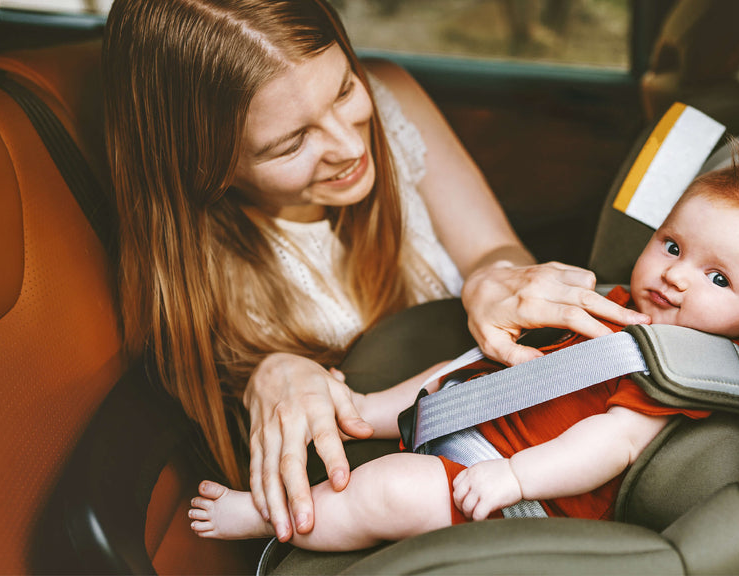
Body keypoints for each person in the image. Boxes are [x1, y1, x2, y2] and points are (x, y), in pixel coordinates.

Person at [103, 0, 647, 545]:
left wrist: (492, 278)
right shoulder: (198, 264)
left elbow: (492, 247)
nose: (348, 144)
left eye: (343, 90)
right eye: (291, 143)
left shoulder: (391, 97)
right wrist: (266, 373)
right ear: (202, 162)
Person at [186, 148, 739, 550]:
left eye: (718, 278)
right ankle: (365, 407)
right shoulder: (621, 299)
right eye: (674, 246)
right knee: (454, 367)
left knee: (389, 491)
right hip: (477, 424)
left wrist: (513, 477)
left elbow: (611, 444)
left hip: (523, 493)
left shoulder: (683, 365)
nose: (676, 275)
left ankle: (272, 519)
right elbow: (494, 364)